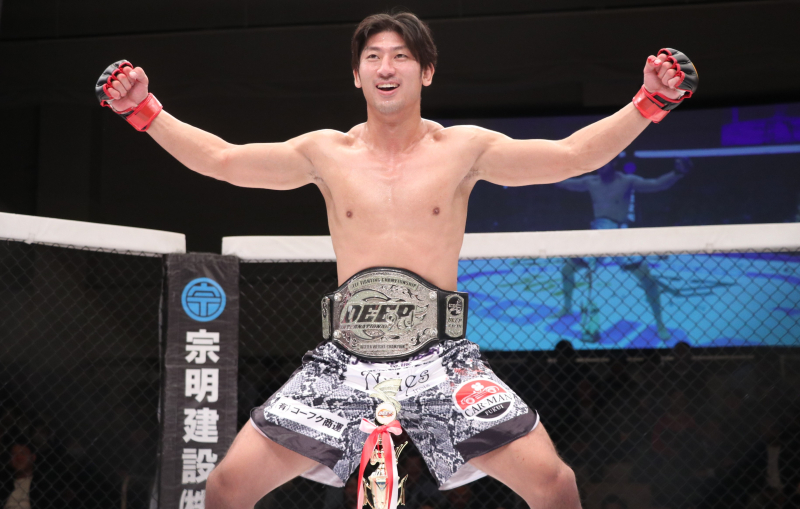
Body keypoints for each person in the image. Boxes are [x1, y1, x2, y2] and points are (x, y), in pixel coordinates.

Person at [96, 11, 696, 509]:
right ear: (357, 74)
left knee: (553, 483)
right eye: (374, 57)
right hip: (344, 362)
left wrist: (650, 102)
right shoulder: (325, 153)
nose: (387, 67)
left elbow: (570, 156)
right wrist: (145, 111)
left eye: (402, 56)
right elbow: (223, 160)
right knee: (227, 487)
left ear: (426, 72)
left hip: (442, 359)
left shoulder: (464, 148)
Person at [554, 158, 691, 340]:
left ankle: (660, 324)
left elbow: (656, 184)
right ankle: (567, 307)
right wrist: (543, 172)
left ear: (614, 163)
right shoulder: (590, 182)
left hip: (620, 235)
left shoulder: (627, 181)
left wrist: (677, 173)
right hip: (598, 234)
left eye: (605, 162)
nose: (600, 166)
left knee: (648, 280)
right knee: (567, 270)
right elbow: (565, 184)